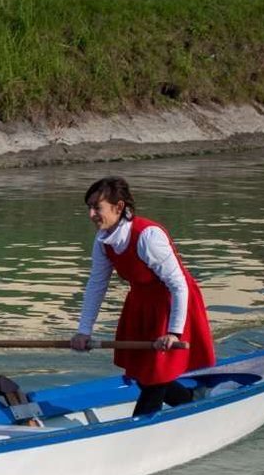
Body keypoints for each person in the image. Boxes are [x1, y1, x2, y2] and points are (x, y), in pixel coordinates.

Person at [69, 176, 214, 416]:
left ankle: (136, 432)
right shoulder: (103, 241)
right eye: (89, 207)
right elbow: (96, 285)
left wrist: (173, 332)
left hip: (172, 302)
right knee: (146, 376)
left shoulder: (148, 236)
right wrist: (84, 330)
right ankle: (190, 401)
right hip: (141, 302)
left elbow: (178, 284)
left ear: (119, 207)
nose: (91, 214)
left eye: (97, 207)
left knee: (156, 376)